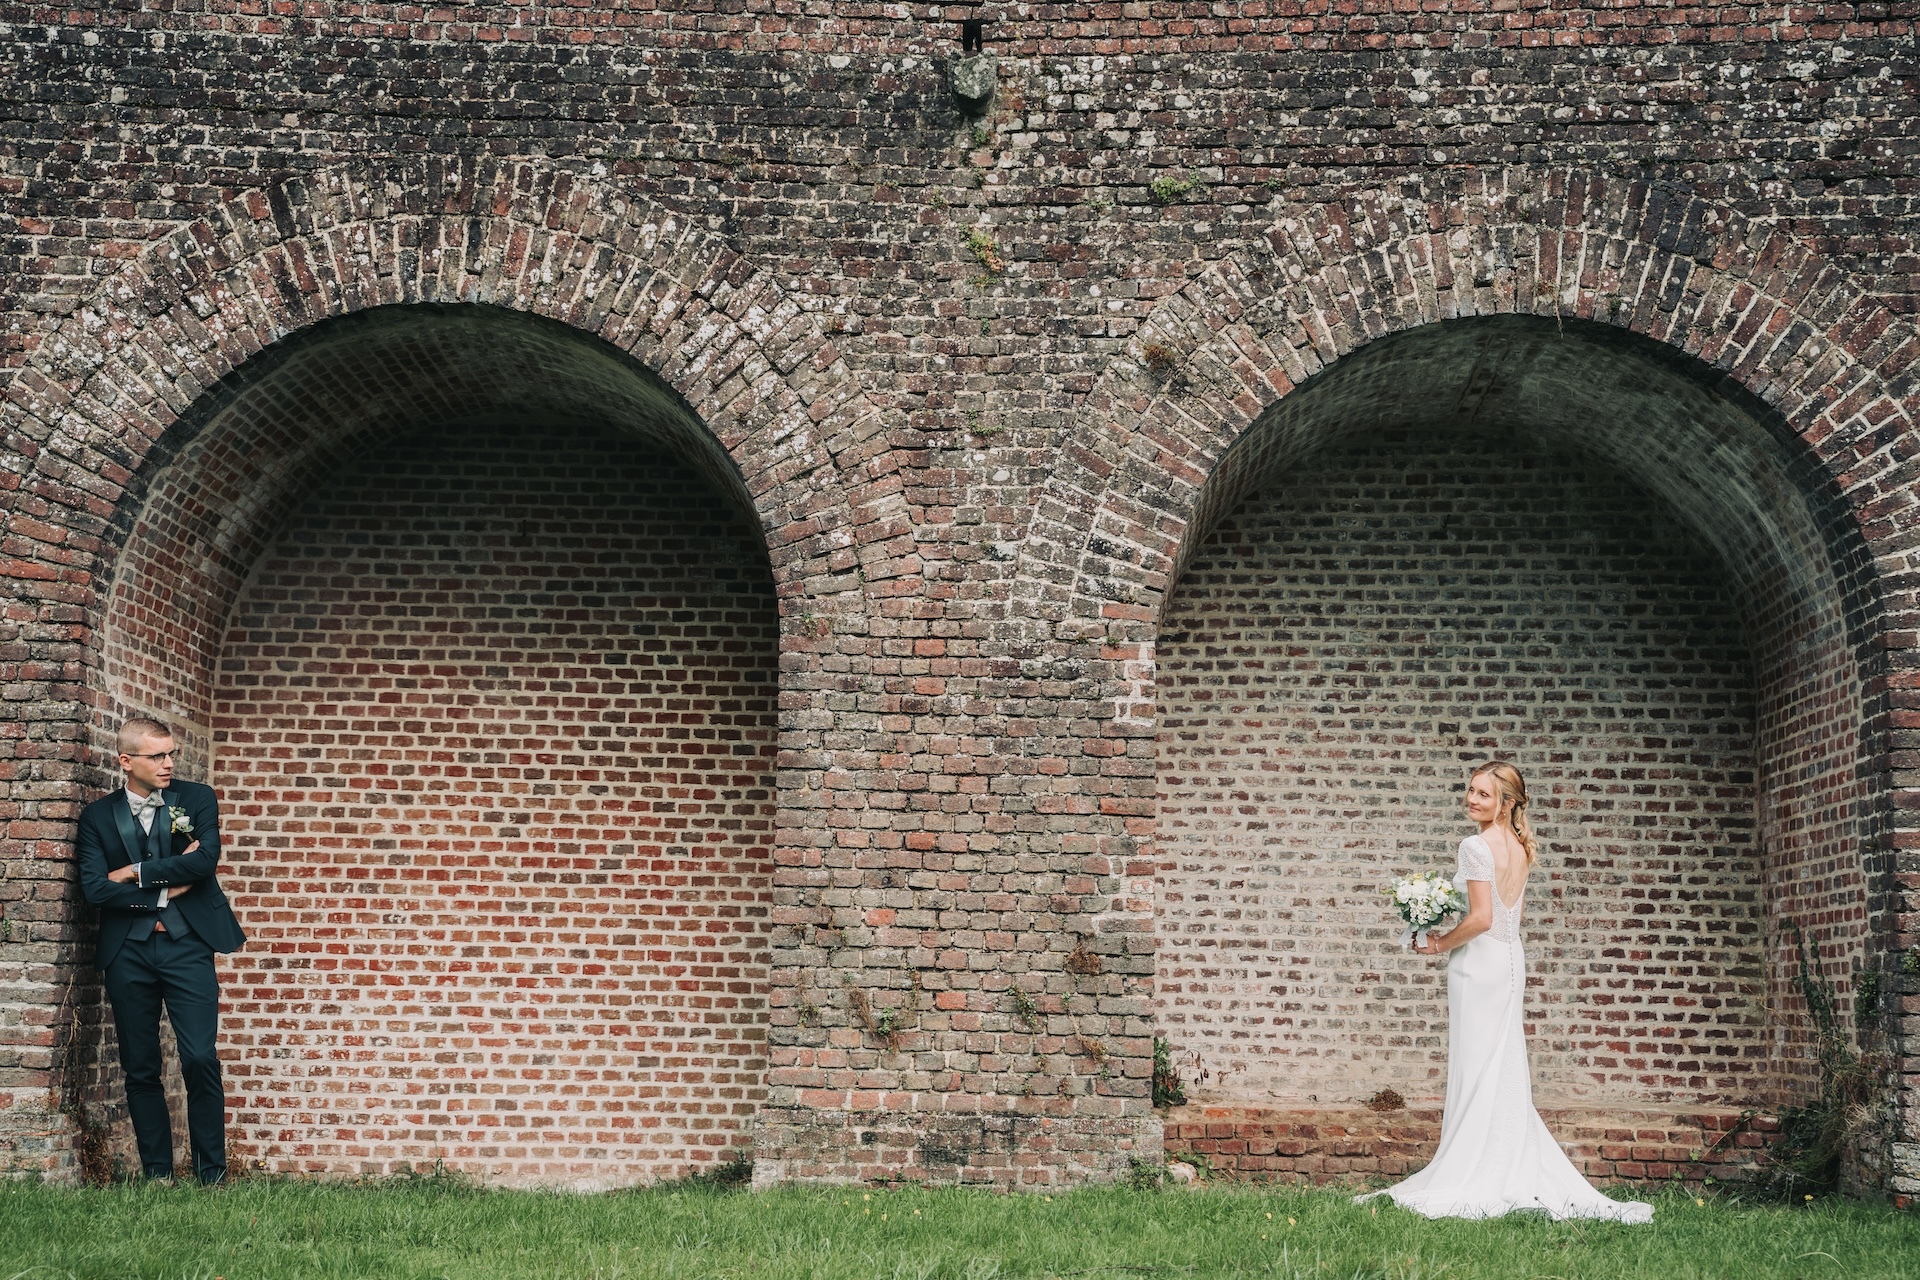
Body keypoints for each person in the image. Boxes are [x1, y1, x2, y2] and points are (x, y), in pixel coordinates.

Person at [1360, 761, 1653, 1222]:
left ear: (1507, 802)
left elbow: (1481, 919)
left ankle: (1472, 1169)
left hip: (1480, 962)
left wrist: (1438, 943)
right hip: (1510, 960)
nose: (1471, 799)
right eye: (1470, 790)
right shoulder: (1519, 844)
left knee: (1480, 1066)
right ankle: (1500, 1158)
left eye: (1482, 794)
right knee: (1498, 1063)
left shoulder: (1475, 846)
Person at [74, 716, 246, 1185]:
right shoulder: (96, 817)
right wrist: (168, 888)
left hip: (188, 946)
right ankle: (158, 1174)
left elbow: (205, 862)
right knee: (141, 1065)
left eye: (171, 754)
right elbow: (94, 889)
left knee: (199, 1058)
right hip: (127, 950)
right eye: (157, 756)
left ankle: (211, 1174)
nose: (169, 764)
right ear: (126, 761)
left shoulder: (195, 798)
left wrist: (133, 873)